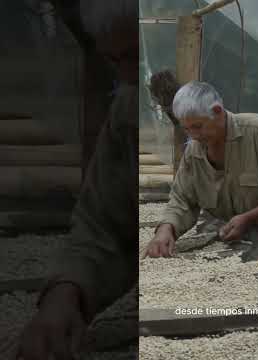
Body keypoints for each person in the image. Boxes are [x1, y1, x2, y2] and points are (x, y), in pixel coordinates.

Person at [17, 1, 139, 359]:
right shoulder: (129, 109)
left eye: (137, 55)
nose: (128, 75)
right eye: (115, 61)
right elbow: (104, 224)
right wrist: (68, 291)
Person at [144, 81, 258, 258]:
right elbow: (182, 198)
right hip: (241, 236)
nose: (193, 135)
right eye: (187, 129)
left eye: (198, 126)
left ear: (217, 112)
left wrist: (249, 217)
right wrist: (166, 228)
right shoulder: (194, 151)